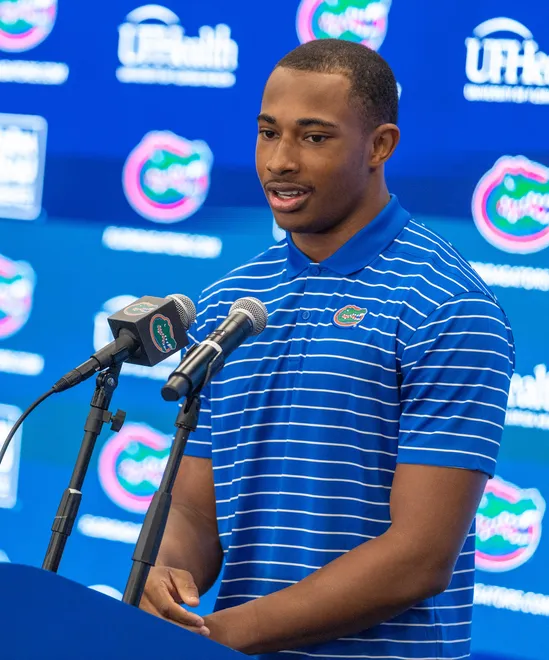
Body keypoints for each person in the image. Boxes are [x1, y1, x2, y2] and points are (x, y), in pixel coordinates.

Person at [140, 39, 515, 659]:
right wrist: (163, 575)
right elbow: (195, 512)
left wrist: (220, 639)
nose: (280, 160)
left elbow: (418, 558)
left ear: (379, 146)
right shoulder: (231, 299)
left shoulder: (446, 305)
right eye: (268, 133)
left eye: (313, 137)